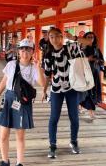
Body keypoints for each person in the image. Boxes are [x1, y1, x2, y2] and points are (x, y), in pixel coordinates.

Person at [0, 39, 46, 166]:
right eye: (22, 50)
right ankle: (5, 161)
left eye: (28, 50)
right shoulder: (11, 64)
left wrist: (38, 67)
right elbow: (4, 81)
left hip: (23, 101)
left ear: (32, 52)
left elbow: (43, 84)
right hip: (8, 98)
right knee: (4, 134)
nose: (25, 52)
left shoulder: (34, 68)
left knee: (20, 136)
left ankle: (20, 163)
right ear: (19, 51)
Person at [41, 27, 91, 158]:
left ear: (61, 37)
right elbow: (47, 75)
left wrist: (73, 37)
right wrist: (44, 90)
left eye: (57, 36)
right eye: (51, 37)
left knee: (74, 117)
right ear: (49, 38)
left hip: (72, 88)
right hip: (56, 89)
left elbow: (88, 42)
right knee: (53, 118)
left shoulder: (70, 48)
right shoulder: (47, 55)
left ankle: (74, 142)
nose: (54, 39)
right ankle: (52, 145)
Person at [80, 32, 104, 120]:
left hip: (94, 73)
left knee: (92, 92)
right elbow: (77, 61)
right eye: (88, 37)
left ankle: (91, 112)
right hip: (84, 74)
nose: (90, 38)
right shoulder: (82, 48)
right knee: (84, 92)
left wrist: (97, 60)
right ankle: (82, 107)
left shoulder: (97, 49)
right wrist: (87, 59)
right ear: (85, 38)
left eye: (92, 37)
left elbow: (102, 60)